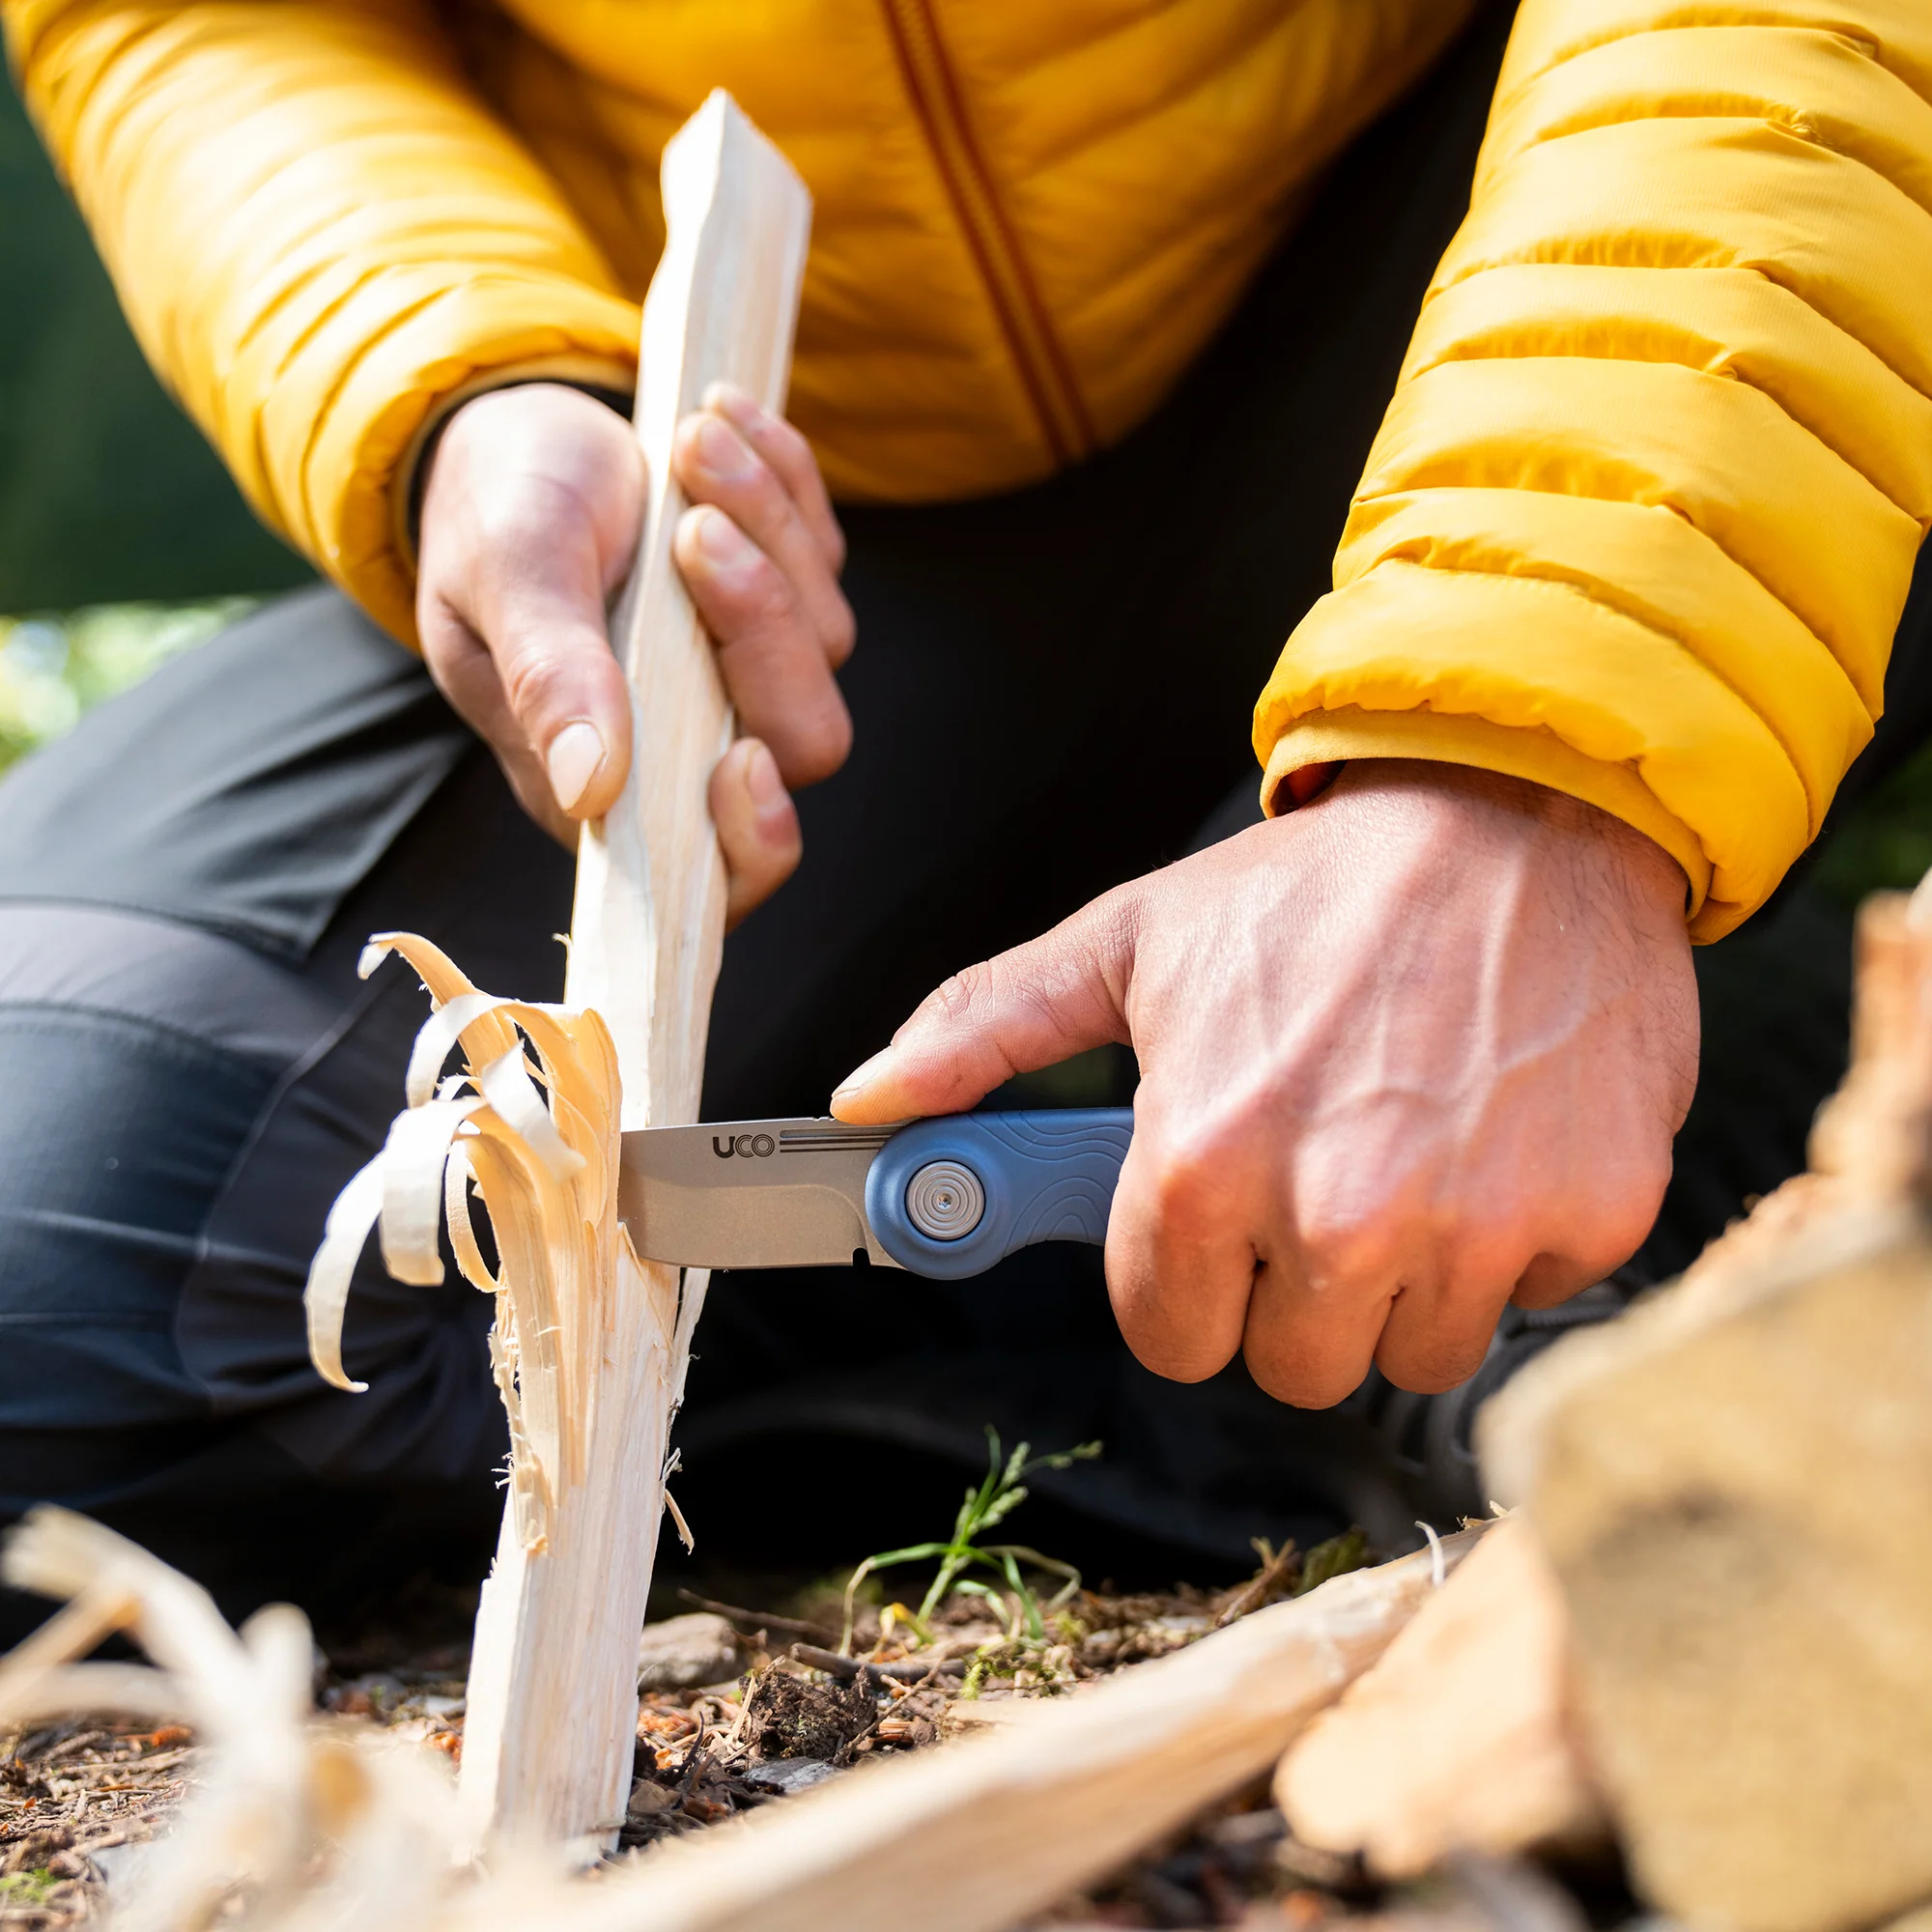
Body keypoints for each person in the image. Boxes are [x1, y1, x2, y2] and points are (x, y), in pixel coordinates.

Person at [1, 0, 1928, 1637]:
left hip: (1611, 236)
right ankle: (1162, 1306)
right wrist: (457, 377)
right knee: (63, 1276)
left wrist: (1534, 738)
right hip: (792, 490)